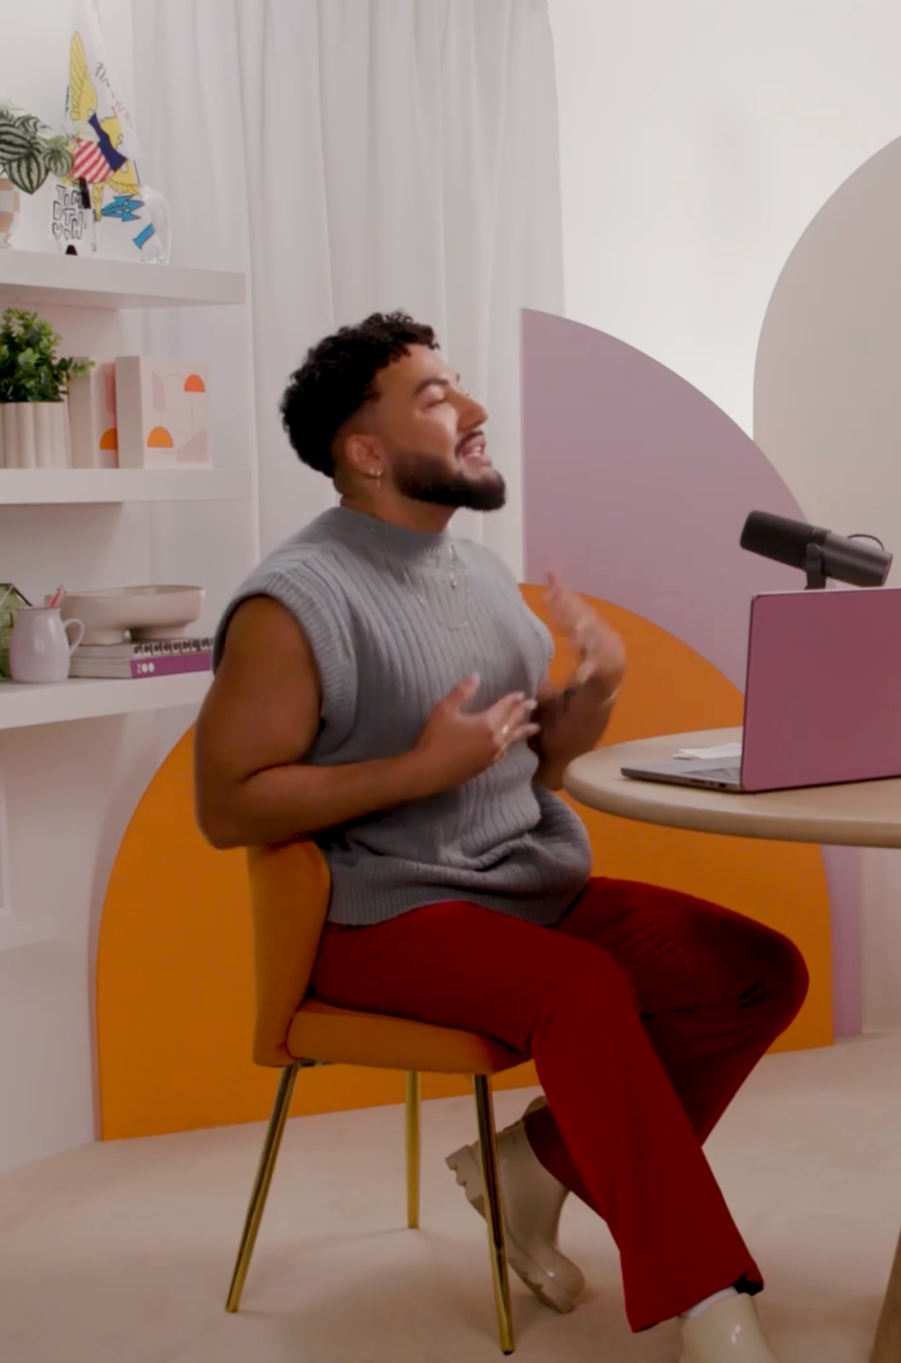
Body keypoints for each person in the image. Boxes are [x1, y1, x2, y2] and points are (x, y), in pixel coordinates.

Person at [195, 312, 806, 1363]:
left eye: (459, 387)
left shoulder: (476, 573)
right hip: (381, 912)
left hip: (523, 888)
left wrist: (596, 688)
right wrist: (416, 771)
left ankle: (528, 1169)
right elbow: (226, 807)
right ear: (367, 451)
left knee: (755, 970)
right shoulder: (294, 605)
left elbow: (539, 763)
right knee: (578, 988)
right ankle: (704, 1292)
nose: (473, 412)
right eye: (435, 397)